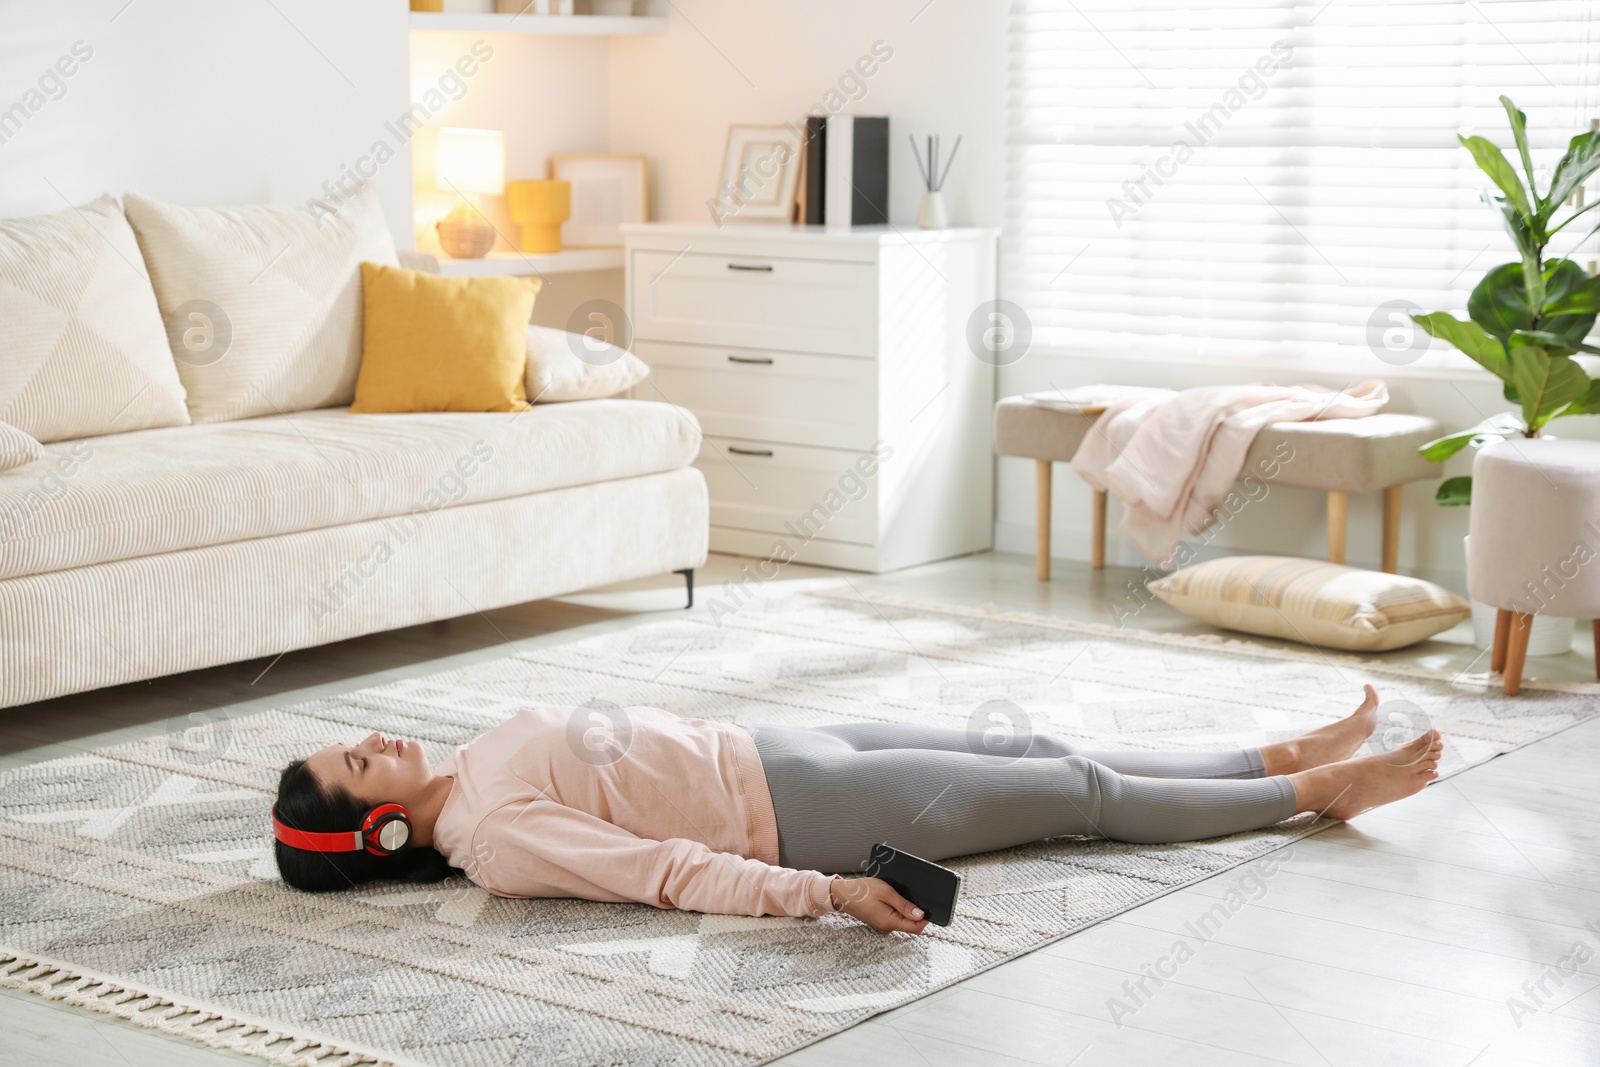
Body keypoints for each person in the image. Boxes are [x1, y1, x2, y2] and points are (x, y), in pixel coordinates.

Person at [271, 685, 1440, 936]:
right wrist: (823, 891)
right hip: (801, 812)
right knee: (1070, 797)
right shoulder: (497, 840)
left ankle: (1262, 750)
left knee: (1034, 743)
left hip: (771, 745)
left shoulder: (470, 761)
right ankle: (1311, 792)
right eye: (360, 766)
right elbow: (666, 869)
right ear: (378, 830)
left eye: (354, 740)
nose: (375, 743)